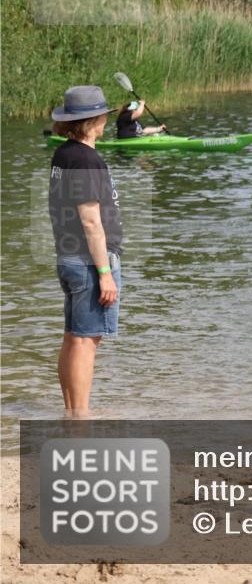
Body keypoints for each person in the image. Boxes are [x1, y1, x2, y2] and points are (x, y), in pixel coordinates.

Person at [48, 86, 123, 419]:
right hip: (88, 261)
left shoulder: (64, 154)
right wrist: (104, 271)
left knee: (73, 338)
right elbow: (91, 221)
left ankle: (71, 411)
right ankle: (80, 417)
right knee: (86, 341)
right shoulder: (86, 159)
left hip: (68, 257)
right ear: (97, 120)